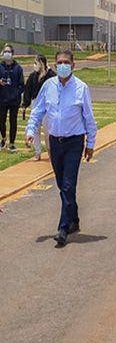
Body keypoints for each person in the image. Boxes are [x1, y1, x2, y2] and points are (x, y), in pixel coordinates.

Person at [25, 50, 97, 247]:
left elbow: (89, 119)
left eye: (67, 62)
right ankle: (73, 218)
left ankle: (63, 228)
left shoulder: (81, 88)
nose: (63, 65)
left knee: (68, 183)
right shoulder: (48, 86)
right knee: (61, 184)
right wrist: (31, 130)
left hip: (74, 142)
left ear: (73, 65)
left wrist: (90, 144)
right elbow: (37, 110)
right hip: (55, 142)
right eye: (59, 63)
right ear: (54, 66)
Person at [22, 54, 56, 161]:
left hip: (47, 105)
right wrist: (25, 104)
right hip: (35, 102)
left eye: (36, 63)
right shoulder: (32, 77)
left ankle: (50, 151)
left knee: (47, 130)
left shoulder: (51, 76)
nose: (34, 65)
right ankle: (37, 152)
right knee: (35, 129)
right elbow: (27, 91)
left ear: (42, 63)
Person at [0, 43, 25, 152]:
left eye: (9, 52)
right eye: (5, 51)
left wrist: (16, 93)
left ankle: (12, 143)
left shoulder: (18, 68)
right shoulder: (0, 66)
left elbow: (21, 84)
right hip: (2, 98)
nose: (7, 54)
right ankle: (3, 138)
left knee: (13, 121)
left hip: (14, 99)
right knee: (1, 120)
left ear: (13, 53)